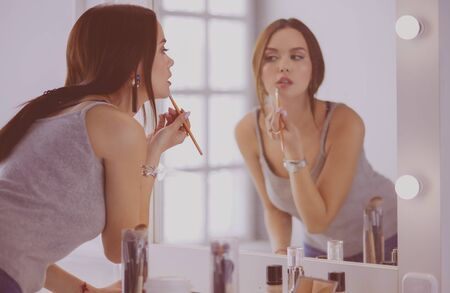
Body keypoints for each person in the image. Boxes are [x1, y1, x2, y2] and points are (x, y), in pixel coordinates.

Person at [0, 4, 191, 293]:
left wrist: (152, 151)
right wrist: (150, 160)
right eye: (163, 49)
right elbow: (123, 249)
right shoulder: (118, 127)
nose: (171, 62)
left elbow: (27, 246)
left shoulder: (61, 110)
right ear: (134, 62)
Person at [235, 18, 397, 262]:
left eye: (297, 56)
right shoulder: (247, 130)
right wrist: (281, 259)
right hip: (322, 249)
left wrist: (294, 155)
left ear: (314, 68)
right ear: (258, 68)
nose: (284, 66)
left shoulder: (344, 122)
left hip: (389, 239)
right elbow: (274, 207)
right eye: (271, 57)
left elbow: (317, 221)